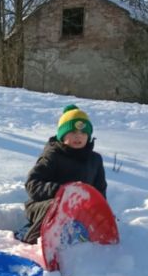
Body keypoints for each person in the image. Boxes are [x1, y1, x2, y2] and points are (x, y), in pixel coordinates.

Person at [19, 103, 107, 244]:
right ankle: (31, 238)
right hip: (44, 206)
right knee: (58, 206)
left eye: (83, 133)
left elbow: (99, 191)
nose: (78, 137)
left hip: (78, 210)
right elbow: (32, 184)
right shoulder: (52, 155)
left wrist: (101, 213)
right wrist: (60, 191)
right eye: (73, 132)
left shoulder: (95, 160)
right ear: (63, 135)